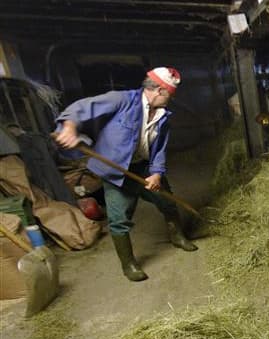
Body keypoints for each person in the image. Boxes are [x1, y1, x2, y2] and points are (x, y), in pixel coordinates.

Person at [54, 67, 197, 282]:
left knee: (166, 201)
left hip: (143, 168)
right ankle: (128, 264)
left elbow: (159, 149)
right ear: (159, 90)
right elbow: (82, 108)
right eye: (170, 93)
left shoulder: (163, 116)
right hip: (116, 173)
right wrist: (69, 127)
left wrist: (157, 173)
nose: (172, 98)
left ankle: (177, 236)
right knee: (119, 220)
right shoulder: (121, 100)